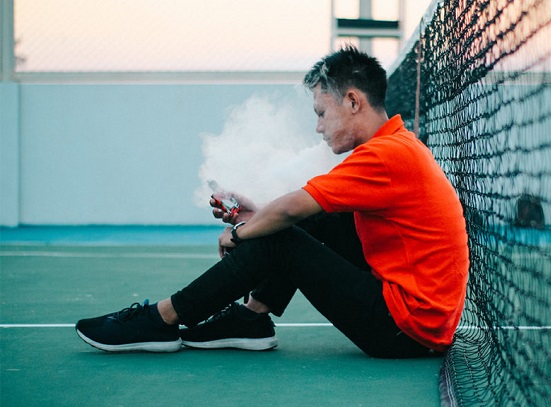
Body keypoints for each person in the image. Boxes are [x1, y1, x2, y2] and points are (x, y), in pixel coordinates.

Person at [76, 46, 469, 359]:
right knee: (303, 222)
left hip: (405, 331)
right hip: (421, 322)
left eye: (321, 113)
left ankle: (160, 319)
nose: (318, 127)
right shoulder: (398, 145)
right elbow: (304, 209)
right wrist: (256, 215)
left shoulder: (385, 155)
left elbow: (293, 209)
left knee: (281, 236)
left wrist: (243, 232)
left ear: (352, 101)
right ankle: (252, 318)